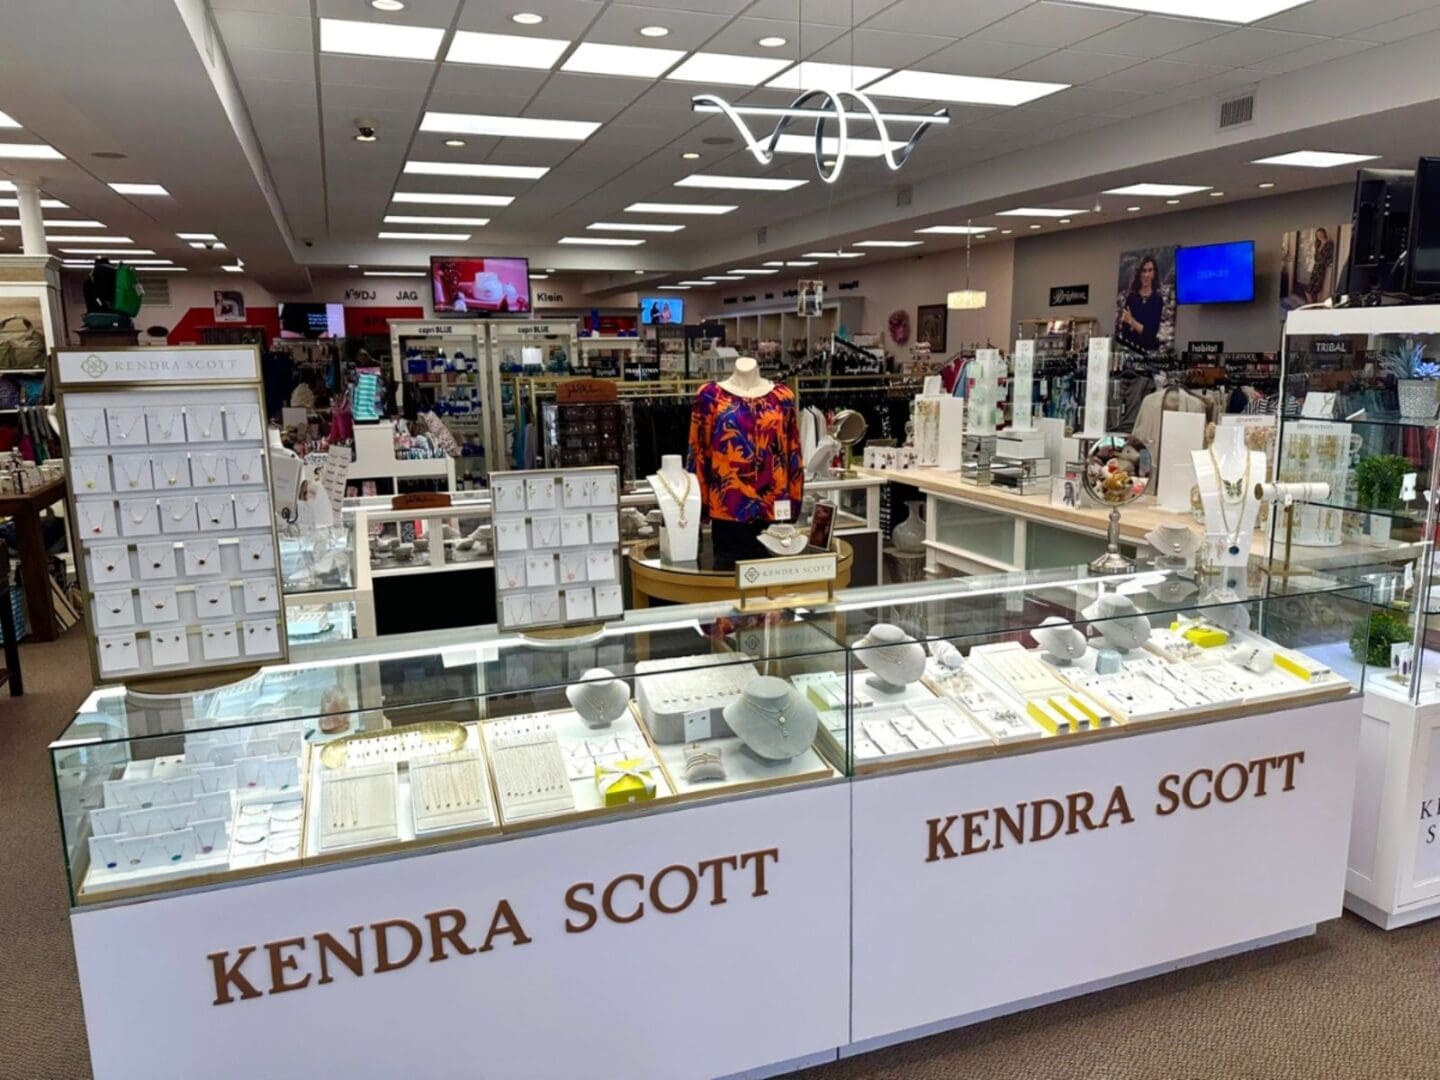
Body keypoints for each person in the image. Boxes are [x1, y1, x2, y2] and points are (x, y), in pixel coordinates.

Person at [1116, 254, 1164, 353]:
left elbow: (1150, 333)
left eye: (1150, 270)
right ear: (1139, 273)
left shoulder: (1157, 300)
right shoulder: (1131, 298)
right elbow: (1125, 331)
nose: (1146, 275)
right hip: (1131, 350)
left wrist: (1132, 321)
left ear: (1154, 273)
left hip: (1149, 351)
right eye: (1144, 271)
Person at [1307, 227, 1335, 304]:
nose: (1319, 236)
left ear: (1324, 233)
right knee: (1309, 289)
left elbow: (1327, 257)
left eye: (1320, 234)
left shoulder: (1329, 243)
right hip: (1315, 267)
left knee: (1315, 289)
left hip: (1321, 268)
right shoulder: (1318, 244)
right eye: (1317, 234)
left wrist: (1328, 263)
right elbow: (1315, 257)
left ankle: (1312, 306)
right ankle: (1312, 305)